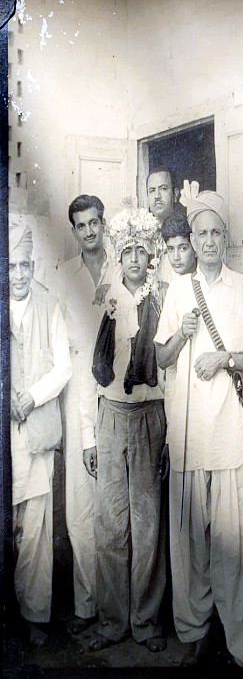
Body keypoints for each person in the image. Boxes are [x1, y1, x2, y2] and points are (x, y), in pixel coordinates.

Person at [154, 188, 243, 668]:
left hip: (227, 432)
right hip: (188, 434)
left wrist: (223, 356)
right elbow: (158, 357)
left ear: (225, 237)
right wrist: (181, 336)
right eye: (199, 233)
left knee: (236, 542)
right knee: (191, 545)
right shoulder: (179, 289)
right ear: (191, 238)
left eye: (215, 232)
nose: (207, 241)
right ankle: (195, 633)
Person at [80, 207, 168, 653]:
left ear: (151, 254)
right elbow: (89, 368)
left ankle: (146, 623)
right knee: (111, 523)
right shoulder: (105, 296)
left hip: (150, 418)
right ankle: (112, 622)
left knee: (147, 523)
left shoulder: (162, 297)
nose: (134, 258)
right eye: (127, 250)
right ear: (119, 254)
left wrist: (168, 433)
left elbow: (170, 372)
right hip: (111, 415)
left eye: (141, 250)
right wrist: (90, 437)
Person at [10, 222, 72, 647]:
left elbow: (64, 367)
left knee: (34, 532)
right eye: (10, 265)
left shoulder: (50, 305)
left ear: (33, 267)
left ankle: (32, 617)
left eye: (24, 265)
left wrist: (31, 397)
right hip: (5, 437)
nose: (17, 274)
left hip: (35, 433)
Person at [56, 194, 112, 635]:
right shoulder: (65, 276)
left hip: (117, 390)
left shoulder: (125, 264)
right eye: (82, 226)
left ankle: (122, 607)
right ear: (73, 231)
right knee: (80, 502)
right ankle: (88, 605)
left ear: (104, 223)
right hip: (78, 386)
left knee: (118, 500)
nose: (90, 231)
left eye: (95, 222)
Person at [147, 167, 187, 285]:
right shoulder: (141, 231)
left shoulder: (187, 228)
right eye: (152, 190)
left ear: (175, 194)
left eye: (163, 189)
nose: (157, 196)